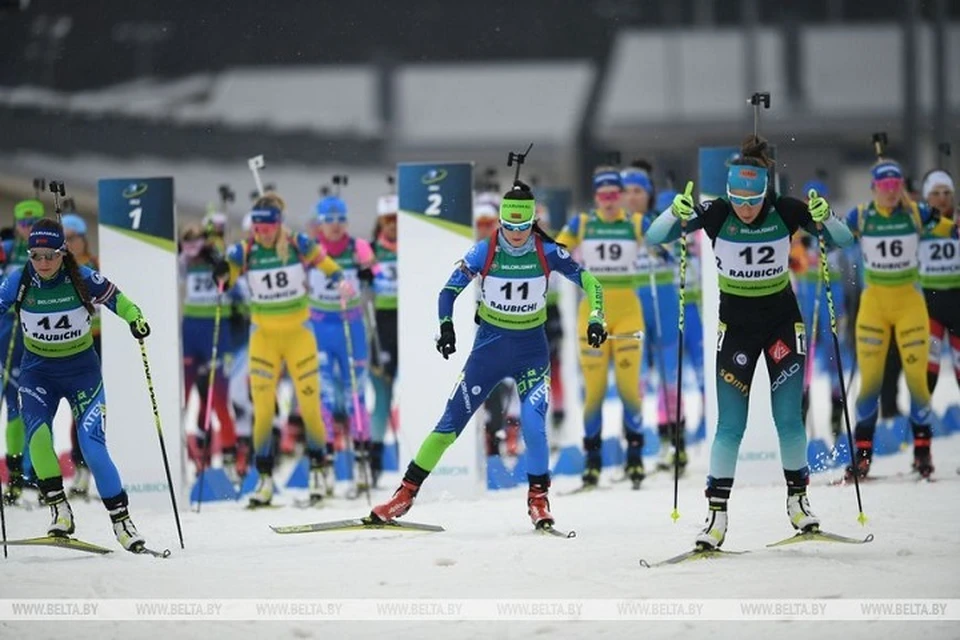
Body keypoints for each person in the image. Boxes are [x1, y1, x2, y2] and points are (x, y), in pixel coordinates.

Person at [646, 135, 854, 549]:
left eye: (753, 199)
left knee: (788, 419)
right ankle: (716, 517)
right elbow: (656, 237)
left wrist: (827, 216)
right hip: (737, 329)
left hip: (781, 324)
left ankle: (799, 502)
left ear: (765, 189)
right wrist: (674, 212)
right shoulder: (717, 212)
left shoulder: (785, 209)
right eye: (738, 199)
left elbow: (844, 239)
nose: (745, 207)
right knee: (729, 426)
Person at [369, 182, 607, 529]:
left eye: (522, 228)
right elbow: (448, 292)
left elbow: (592, 283)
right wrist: (446, 326)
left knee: (532, 424)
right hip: (489, 350)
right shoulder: (484, 251)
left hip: (531, 352)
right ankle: (404, 495)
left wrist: (596, 317)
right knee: (449, 425)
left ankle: (538, 500)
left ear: (533, 222)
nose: (514, 235)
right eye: (508, 227)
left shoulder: (547, 251)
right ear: (499, 222)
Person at [0, 218, 152, 550]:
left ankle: (123, 522)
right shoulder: (19, 281)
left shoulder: (81, 277)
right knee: (38, 438)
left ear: (63, 252)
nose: (43, 264)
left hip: (82, 373)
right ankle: (59, 510)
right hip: (37, 373)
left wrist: (136, 319)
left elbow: (120, 301)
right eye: (36, 256)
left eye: (50, 256)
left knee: (93, 448)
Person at [214, 192, 347, 507]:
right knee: (262, 411)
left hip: (299, 335)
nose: (262, 233)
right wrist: (220, 272)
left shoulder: (299, 244)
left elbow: (330, 267)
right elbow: (225, 281)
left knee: (309, 405)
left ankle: (317, 469)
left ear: (278, 224)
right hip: (264, 338)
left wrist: (341, 282)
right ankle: (264, 479)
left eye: (268, 227)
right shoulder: (244, 251)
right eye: (257, 228)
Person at [844, 160, 953, 479]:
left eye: (896, 186)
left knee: (917, 381)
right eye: (885, 187)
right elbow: (835, 233)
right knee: (871, 382)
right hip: (874, 305)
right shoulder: (861, 215)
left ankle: (922, 453)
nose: (891, 193)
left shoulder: (916, 213)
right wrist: (819, 224)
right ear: (874, 188)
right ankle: (862, 456)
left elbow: (949, 229)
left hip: (909, 305)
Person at [555, 167, 647, 489]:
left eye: (614, 195)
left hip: (627, 314)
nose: (608, 201)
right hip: (592, 314)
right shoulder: (582, 223)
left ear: (621, 196)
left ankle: (635, 457)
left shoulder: (635, 223)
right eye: (603, 195)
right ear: (596, 197)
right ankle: (592, 461)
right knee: (593, 390)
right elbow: (554, 249)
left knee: (627, 386)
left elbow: (666, 237)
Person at [308, 193, 374, 496]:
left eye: (340, 220)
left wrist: (368, 272)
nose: (335, 226)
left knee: (354, 396)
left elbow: (379, 274)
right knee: (323, 398)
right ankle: (326, 465)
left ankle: (362, 465)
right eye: (328, 221)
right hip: (320, 328)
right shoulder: (311, 249)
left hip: (352, 325)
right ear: (319, 224)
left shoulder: (357, 246)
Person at [624, 162, 686, 471]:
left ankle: (675, 442)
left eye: (637, 191)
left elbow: (679, 253)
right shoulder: (616, 223)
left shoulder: (659, 221)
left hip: (661, 297)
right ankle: (634, 448)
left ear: (648, 194)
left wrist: (658, 247)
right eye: (626, 191)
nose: (631, 197)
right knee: (634, 376)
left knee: (668, 374)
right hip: (631, 299)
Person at [790, 182, 853, 441]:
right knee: (802, 357)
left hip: (831, 298)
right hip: (805, 299)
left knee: (833, 356)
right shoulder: (797, 231)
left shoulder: (830, 225)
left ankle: (836, 419)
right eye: (808, 199)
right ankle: (801, 418)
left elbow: (846, 248)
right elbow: (789, 262)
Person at [179, 223, 237, 480]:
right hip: (191, 332)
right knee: (186, 398)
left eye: (197, 240)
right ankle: (198, 461)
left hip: (217, 330)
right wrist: (182, 252)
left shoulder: (219, 256)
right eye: (187, 241)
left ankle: (229, 459)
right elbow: (177, 271)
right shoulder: (185, 261)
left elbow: (236, 287)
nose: (193, 246)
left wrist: (222, 261)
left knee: (219, 401)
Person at [1, 198, 44, 505]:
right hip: (5, 335)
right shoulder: (6, 249)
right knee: (12, 407)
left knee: (28, 407)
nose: (27, 229)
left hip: (30, 335)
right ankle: (16, 475)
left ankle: (32, 475)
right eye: (23, 224)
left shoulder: (46, 254)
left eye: (33, 224)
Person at [59, 212, 102, 498]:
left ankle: (90, 469)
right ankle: (81, 470)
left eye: (71, 238)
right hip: (70, 346)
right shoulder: (58, 268)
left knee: (90, 409)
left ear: (83, 239)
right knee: (75, 410)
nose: (67, 244)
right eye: (64, 239)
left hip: (96, 344)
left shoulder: (93, 266)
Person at [918, 169, 959, 395]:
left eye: (946, 192)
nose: (942, 198)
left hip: (957, 303)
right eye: (936, 193)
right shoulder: (920, 223)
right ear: (927, 196)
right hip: (930, 305)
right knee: (928, 370)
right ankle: (921, 425)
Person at [369, 192, 399, 486]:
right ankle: (374, 459)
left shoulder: (414, 248)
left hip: (410, 326)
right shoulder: (371, 249)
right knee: (382, 398)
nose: (393, 225)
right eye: (388, 220)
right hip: (382, 326)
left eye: (398, 220)